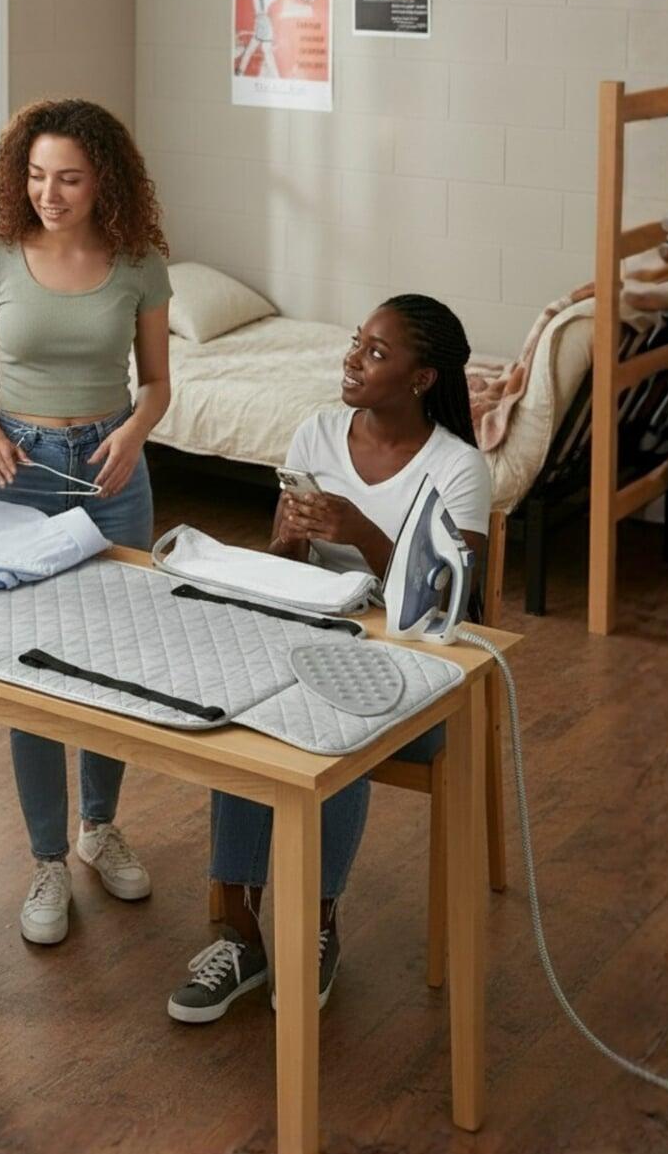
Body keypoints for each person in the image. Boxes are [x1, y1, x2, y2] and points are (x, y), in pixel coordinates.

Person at [167, 293, 491, 1023]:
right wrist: (289, 540)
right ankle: (240, 931)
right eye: (354, 343)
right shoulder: (315, 433)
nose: (353, 360)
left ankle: (315, 924)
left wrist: (366, 533)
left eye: (377, 353)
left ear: (421, 379)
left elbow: (456, 603)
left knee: (335, 715)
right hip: (315, 637)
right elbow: (287, 568)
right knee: (240, 705)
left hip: (422, 675)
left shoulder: (459, 467)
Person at [0, 98, 173, 946]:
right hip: (23, 470)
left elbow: (156, 381)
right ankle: (47, 857)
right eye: (38, 175)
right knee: (31, 668)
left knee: (112, 660)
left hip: (114, 470)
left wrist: (134, 431)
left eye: (69, 178)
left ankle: (99, 825)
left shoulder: (140, 259)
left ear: (103, 179)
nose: (50, 192)